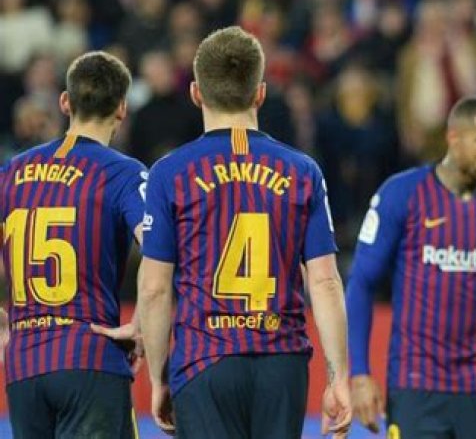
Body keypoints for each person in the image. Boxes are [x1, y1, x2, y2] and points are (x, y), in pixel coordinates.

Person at [138, 26, 352, 438]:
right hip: (281, 363)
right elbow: (325, 281)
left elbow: (153, 289)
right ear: (260, 94)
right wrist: (338, 376)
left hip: (203, 361)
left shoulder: (169, 172)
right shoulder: (303, 171)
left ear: (196, 93)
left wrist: (159, 378)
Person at [347, 95, 476, 439]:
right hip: (416, 384)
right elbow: (361, 283)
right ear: (454, 138)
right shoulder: (402, 194)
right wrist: (359, 374)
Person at [0, 51, 146, 438]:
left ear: (65, 102)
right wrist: (142, 323)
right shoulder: (123, 173)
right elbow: (160, 247)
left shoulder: (11, 171)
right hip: (90, 357)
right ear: (122, 108)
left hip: (24, 368)